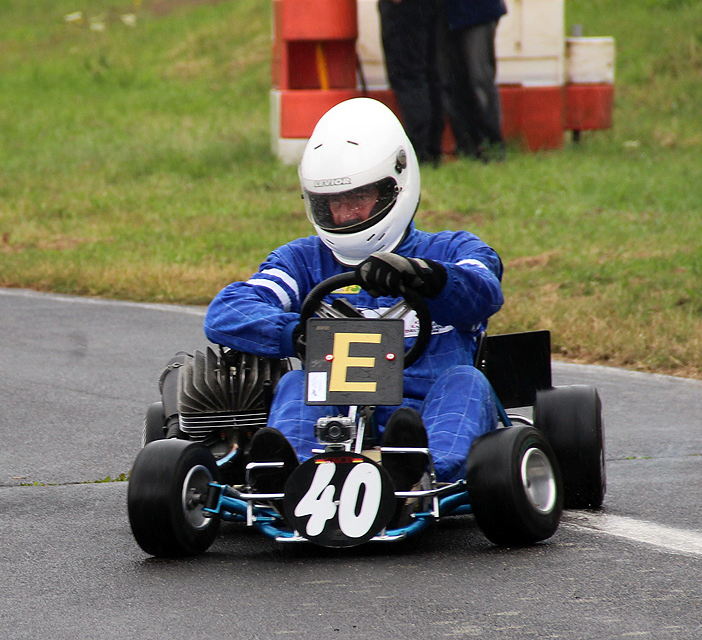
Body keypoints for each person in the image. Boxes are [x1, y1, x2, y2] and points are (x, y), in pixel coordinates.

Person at [203, 98, 503, 492]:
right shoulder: (303, 262)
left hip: (428, 409)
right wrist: (297, 333)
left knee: (467, 380)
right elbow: (227, 311)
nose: (344, 216)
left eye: (357, 199)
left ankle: (423, 472)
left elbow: (484, 291)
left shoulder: (452, 251)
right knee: (295, 384)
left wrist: (426, 278)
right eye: (332, 203)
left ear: (395, 184)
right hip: (334, 418)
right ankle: (290, 479)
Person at [438, 0, 507, 162]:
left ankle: (492, 144)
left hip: (478, 9)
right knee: (451, 81)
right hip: (445, 13)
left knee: (480, 78)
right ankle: (466, 145)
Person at [377, 0, 444, 166]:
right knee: (429, 73)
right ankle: (432, 148)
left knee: (408, 75)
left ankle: (418, 151)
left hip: (403, 7)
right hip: (428, 7)